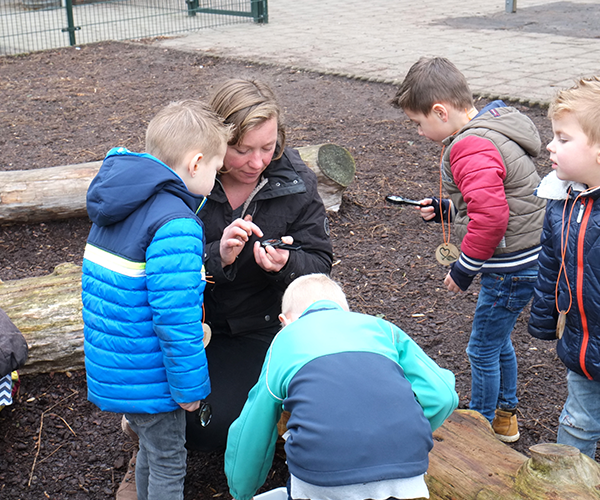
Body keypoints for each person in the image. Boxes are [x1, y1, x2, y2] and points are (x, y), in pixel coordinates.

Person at [81, 99, 232, 500]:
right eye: (217, 168)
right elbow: (175, 316)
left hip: (118, 364)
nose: (217, 179)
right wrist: (189, 388)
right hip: (152, 373)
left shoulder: (121, 202)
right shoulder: (175, 223)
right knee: (169, 460)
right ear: (196, 163)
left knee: (152, 448)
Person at [390, 56, 546, 442]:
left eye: (418, 123)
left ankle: (480, 427)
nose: (419, 132)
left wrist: (464, 268)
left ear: (440, 112)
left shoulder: (468, 146)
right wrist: (448, 208)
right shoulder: (494, 129)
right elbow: (498, 196)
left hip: (510, 265)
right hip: (528, 255)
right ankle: (505, 415)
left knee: (480, 349)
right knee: (497, 340)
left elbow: (492, 220)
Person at [184, 78, 334, 452]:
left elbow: (319, 262)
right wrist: (216, 257)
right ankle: (147, 443)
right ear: (215, 141)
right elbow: (155, 264)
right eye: (241, 150)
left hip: (263, 325)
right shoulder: (187, 177)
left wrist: (285, 263)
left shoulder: (296, 181)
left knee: (216, 427)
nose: (257, 162)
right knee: (196, 422)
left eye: (268, 147)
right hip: (198, 327)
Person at [224, 273, 458, 500]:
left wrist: (241, 491)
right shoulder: (380, 327)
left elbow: (253, 424)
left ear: (284, 322)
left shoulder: (286, 338)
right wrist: (403, 429)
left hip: (321, 473)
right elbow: (443, 395)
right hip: (405, 467)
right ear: (346, 311)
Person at [528, 76, 600, 458]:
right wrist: (543, 320)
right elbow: (550, 265)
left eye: (563, 138)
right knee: (578, 421)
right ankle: (566, 485)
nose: (551, 147)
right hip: (583, 346)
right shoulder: (562, 202)